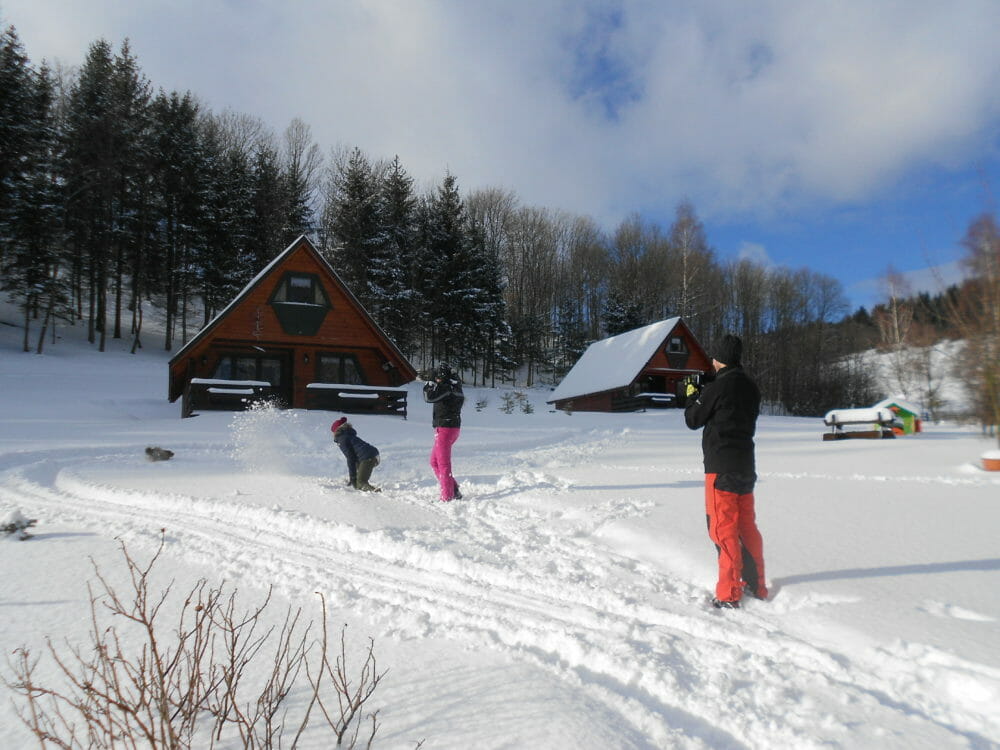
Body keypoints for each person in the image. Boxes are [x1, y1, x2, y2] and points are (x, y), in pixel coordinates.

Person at [684, 334, 767, 609]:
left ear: (717, 359)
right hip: (745, 465)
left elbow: (693, 420)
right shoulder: (750, 387)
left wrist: (693, 396)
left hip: (721, 468)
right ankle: (757, 585)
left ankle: (729, 594)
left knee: (722, 530)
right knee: (746, 527)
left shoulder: (718, 388)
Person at [422, 362, 465, 502]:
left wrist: (429, 382)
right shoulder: (455, 387)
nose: (437, 380)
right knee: (434, 462)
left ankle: (447, 496)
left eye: (438, 377)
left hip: (445, 429)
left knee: (443, 464)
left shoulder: (447, 388)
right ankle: (453, 488)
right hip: (450, 428)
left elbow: (429, 397)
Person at [331, 417, 381, 492]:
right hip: (373, 455)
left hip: (368, 458)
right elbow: (353, 458)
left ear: (336, 431)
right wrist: (353, 478)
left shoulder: (342, 439)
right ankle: (359, 481)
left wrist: (353, 477)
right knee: (358, 478)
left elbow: (350, 459)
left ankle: (375, 492)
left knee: (360, 483)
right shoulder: (347, 435)